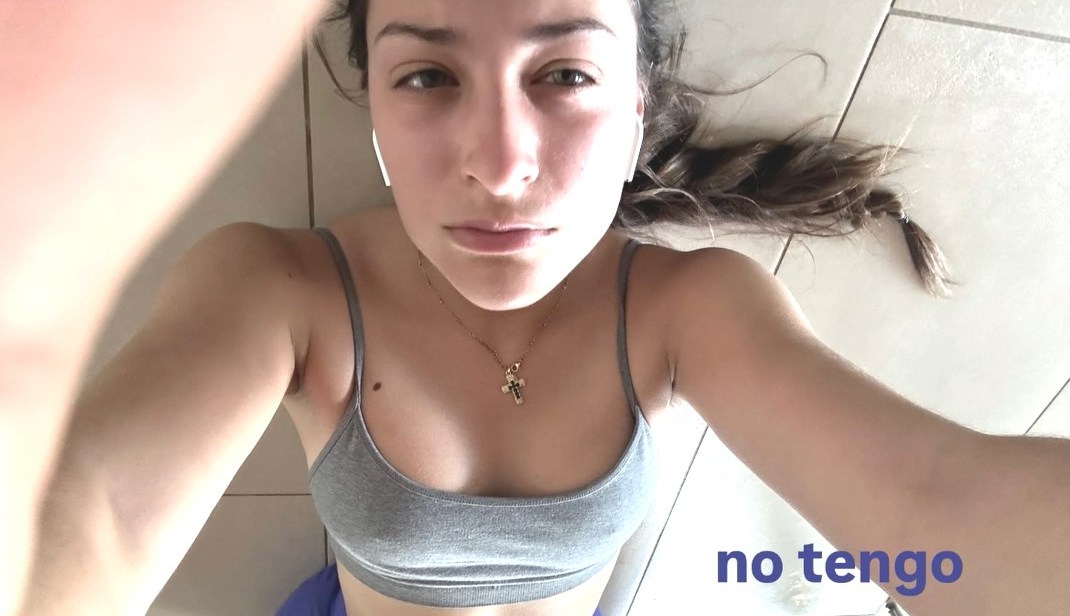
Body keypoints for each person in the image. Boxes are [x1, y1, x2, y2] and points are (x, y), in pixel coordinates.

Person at [2, 1, 1068, 616]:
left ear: (635, 107)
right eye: (427, 77)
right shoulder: (280, 287)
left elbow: (931, 503)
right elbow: (97, 515)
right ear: (372, 107)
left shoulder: (686, 307)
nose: (500, 163)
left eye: (562, 74)